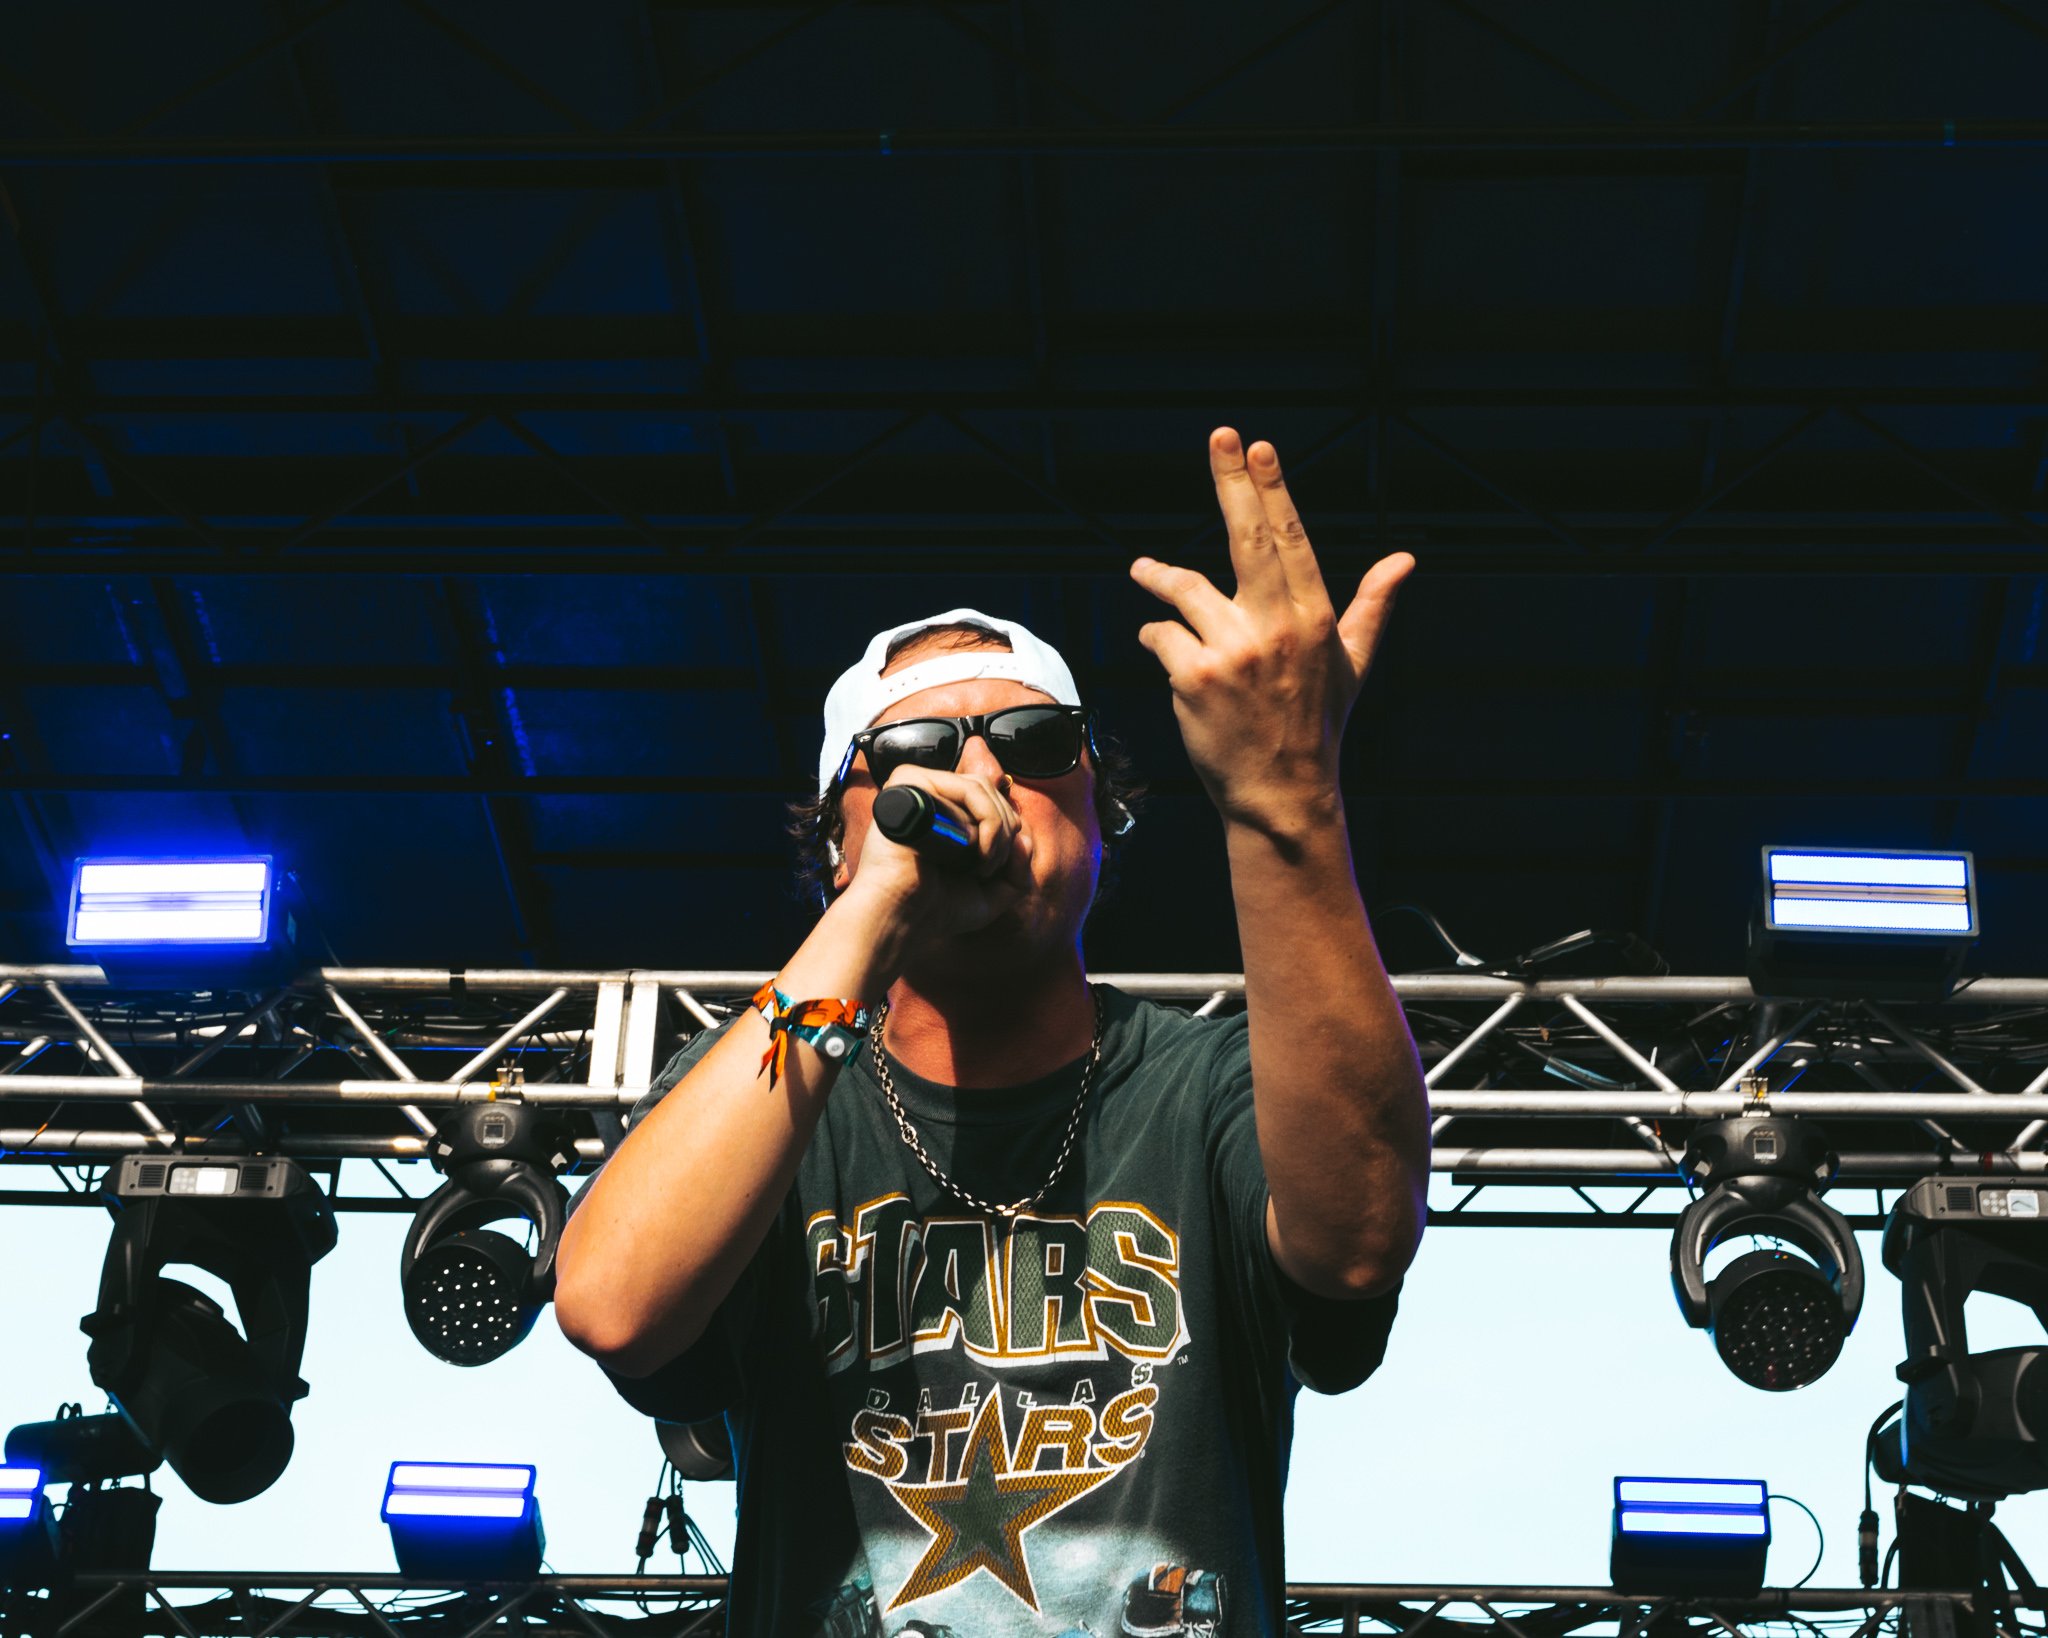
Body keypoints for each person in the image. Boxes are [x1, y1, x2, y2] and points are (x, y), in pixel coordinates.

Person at [556, 428, 1431, 1636]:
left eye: (1032, 744)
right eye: (913, 751)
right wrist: (874, 902)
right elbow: (614, 1304)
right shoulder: (770, 1104)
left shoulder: (1207, 1085)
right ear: (834, 830)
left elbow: (1353, 1249)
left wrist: (1288, 802)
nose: (977, 772)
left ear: (1101, 807)